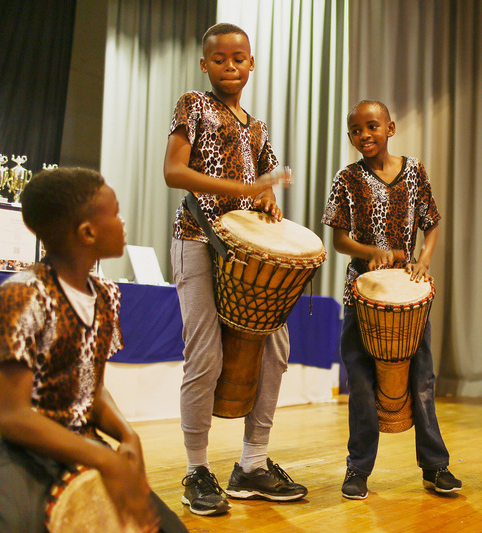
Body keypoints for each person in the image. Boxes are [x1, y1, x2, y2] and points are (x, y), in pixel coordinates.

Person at [0, 168, 187, 532]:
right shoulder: (20, 295)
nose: (123, 223)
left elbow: (91, 387)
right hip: (12, 444)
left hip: (78, 436)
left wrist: (127, 434)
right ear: (88, 232)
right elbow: (13, 417)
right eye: (116, 213)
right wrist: (104, 461)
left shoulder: (107, 295)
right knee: (4, 526)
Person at [163, 22, 306, 516]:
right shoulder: (193, 105)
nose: (230, 66)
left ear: (251, 63)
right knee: (204, 355)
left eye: (239, 58)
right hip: (198, 238)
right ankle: (196, 469)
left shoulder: (257, 126)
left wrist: (266, 200)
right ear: (205, 64)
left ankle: (251, 464)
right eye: (220, 58)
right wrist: (242, 192)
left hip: (245, 254)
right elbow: (173, 172)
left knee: (277, 350)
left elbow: (264, 184)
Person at [322, 100, 462, 500]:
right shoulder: (346, 178)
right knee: (362, 384)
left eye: (371, 127)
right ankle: (357, 471)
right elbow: (338, 238)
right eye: (355, 130)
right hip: (360, 296)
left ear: (391, 128)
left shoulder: (415, 171)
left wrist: (422, 260)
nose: (364, 136)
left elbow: (432, 223)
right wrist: (368, 252)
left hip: (407, 298)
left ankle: (436, 468)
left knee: (422, 380)